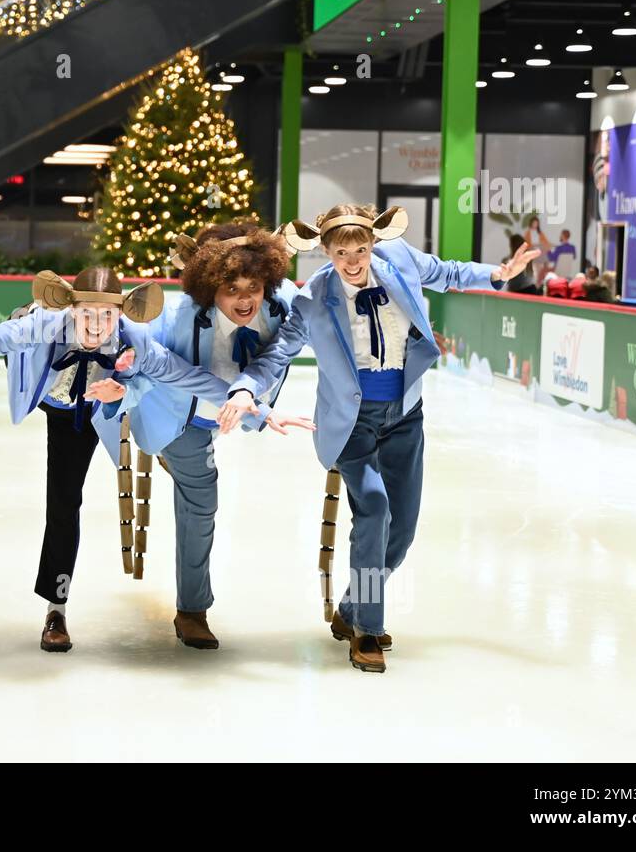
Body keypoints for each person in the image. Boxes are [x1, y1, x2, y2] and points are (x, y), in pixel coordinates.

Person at [218, 204, 539, 673]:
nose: (353, 260)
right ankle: (367, 629)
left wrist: (499, 273)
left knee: (402, 531)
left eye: (362, 249)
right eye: (342, 251)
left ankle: (353, 607)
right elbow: (277, 355)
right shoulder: (314, 299)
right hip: (352, 423)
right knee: (375, 509)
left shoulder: (401, 262)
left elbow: (447, 271)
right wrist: (246, 389)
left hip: (406, 414)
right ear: (326, 252)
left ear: (374, 245)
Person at [0, 266, 268, 653]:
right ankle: (56, 608)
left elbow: (188, 378)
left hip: (118, 403)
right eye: (86, 314)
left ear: (119, 314)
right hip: (67, 411)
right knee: (64, 504)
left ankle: (160, 456)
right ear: (71, 310)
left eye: (106, 315)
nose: (96, 324)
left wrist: (256, 407)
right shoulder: (46, 325)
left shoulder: (136, 339)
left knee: (156, 419)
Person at [105, 221, 313, 649]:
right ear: (207, 288)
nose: (245, 300)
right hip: (177, 417)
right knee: (203, 500)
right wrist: (259, 410)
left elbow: (329, 300)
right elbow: (157, 371)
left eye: (253, 286)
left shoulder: (283, 304)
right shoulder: (173, 318)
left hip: (233, 412)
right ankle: (192, 610)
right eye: (231, 289)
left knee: (201, 482)